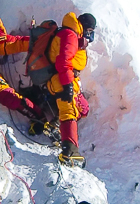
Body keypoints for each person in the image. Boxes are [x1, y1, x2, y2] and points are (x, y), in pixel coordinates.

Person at [45, 12, 96, 167]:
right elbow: (63, 61)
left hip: (69, 79)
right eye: (90, 31)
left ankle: (55, 126)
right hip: (61, 78)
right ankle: (70, 152)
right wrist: (67, 85)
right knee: (69, 110)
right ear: (86, 28)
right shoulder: (69, 34)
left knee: (83, 108)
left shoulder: (74, 35)